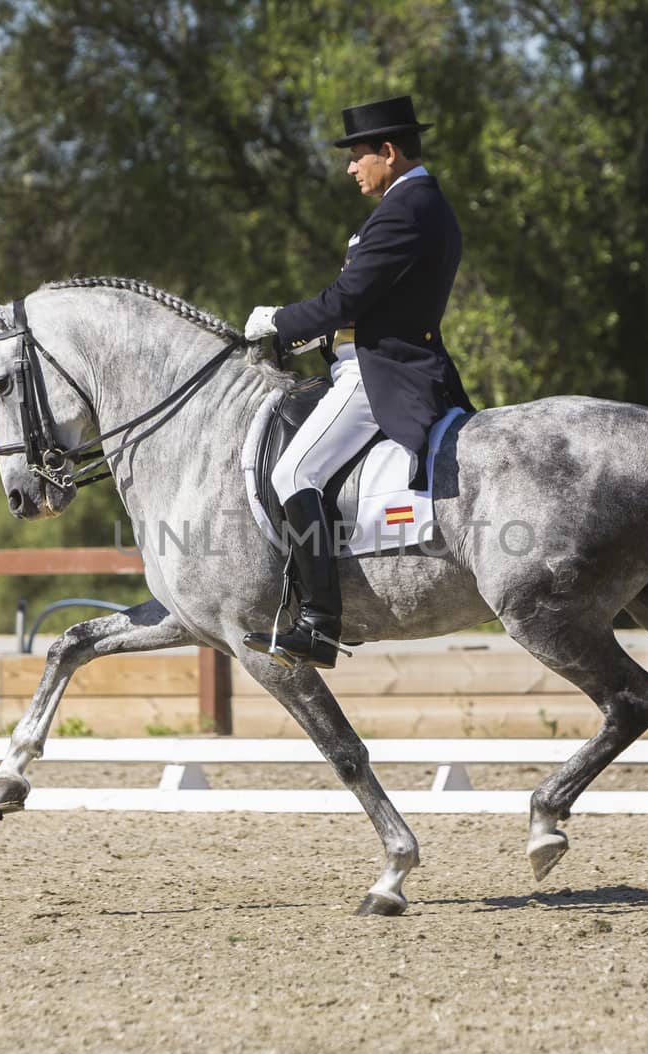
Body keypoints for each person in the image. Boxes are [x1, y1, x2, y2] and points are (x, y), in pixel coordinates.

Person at [241, 94, 475, 670]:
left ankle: (319, 622)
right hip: (376, 353)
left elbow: (347, 298)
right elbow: (370, 304)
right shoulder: (420, 204)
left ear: (389, 152)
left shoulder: (405, 207)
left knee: (292, 471)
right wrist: (313, 337)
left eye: (358, 156)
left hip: (378, 372)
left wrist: (278, 319)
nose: (351, 167)